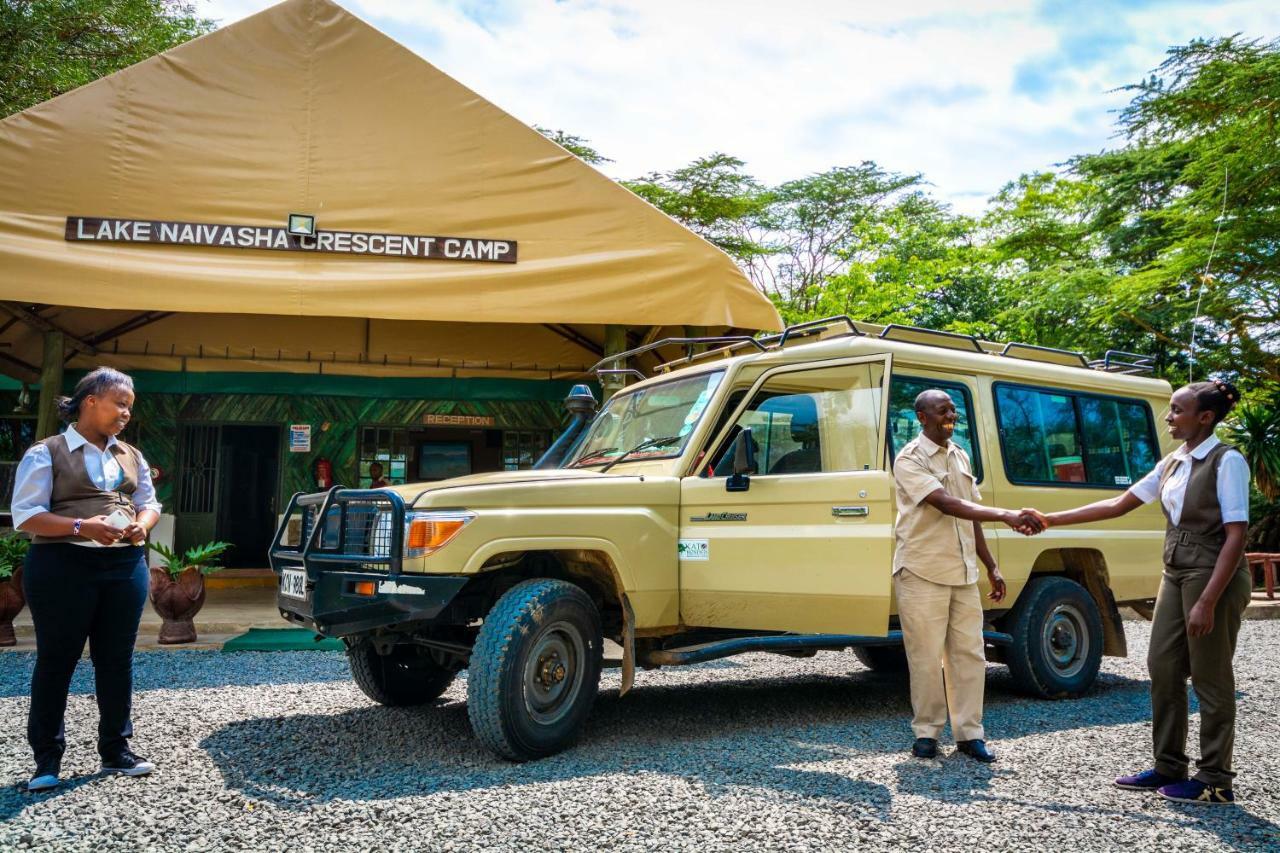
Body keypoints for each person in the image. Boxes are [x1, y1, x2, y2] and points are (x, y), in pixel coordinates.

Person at [1023, 380, 1250, 805]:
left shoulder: (1227, 460)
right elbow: (1117, 504)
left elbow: (1237, 535)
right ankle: (1169, 764)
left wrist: (1207, 601)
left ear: (1205, 417)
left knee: (1210, 675)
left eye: (1178, 410)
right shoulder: (1174, 462)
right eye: (1170, 408)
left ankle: (1216, 779)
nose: (1168, 417)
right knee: (1163, 667)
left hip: (1212, 573)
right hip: (1177, 570)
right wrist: (1049, 520)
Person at [11, 367, 162, 792]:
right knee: (57, 660)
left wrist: (142, 526)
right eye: (119, 403)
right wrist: (82, 527)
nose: (126, 413)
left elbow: (149, 503)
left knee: (116, 660)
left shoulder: (131, 454)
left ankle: (116, 750)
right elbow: (27, 515)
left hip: (123, 567)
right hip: (61, 564)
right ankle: (46, 760)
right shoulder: (47, 452)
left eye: (129, 407)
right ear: (90, 401)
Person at [892, 389, 1041, 762]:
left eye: (953, 409)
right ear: (922, 417)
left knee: (969, 655)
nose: (950, 414)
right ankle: (926, 733)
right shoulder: (909, 458)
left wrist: (991, 565)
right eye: (942, 409)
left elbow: (970, 513)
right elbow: (945, 503)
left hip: (962, 573)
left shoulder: (959, 454)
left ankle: (969, 734)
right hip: (922, 569)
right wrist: (1006, 515)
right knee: (925, 657)